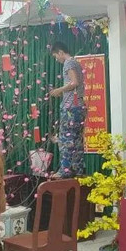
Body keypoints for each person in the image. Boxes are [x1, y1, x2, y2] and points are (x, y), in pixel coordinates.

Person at [49, 41, 86, 178]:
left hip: (71, 107)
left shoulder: (68, 63)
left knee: (66, 139)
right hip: (79, 106)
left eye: (55, 56)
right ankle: (78, 170)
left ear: (60, 52)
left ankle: (64, 171)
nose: (56, 59)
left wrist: (59, 90)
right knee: (76, 140)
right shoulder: (76, 62)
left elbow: (74, 82)